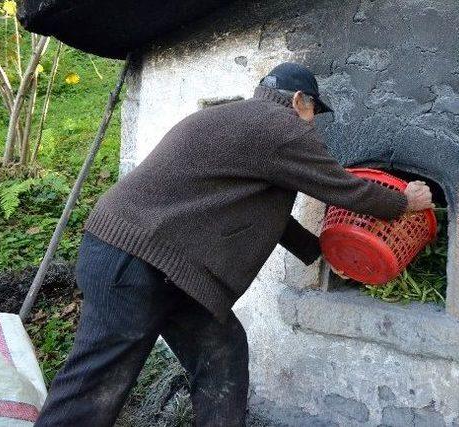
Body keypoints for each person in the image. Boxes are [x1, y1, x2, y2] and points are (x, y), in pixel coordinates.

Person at [34, 62, 433, 427]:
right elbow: (341, 187)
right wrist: (403, 203)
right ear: (298, 101)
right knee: (97, 386)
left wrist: (322, 252)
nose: (312, 126)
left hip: (165, 267)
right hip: (136, 260)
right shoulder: (282, 126)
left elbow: (267, 216)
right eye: (313, 113)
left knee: (222, 353)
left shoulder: (240, 122)